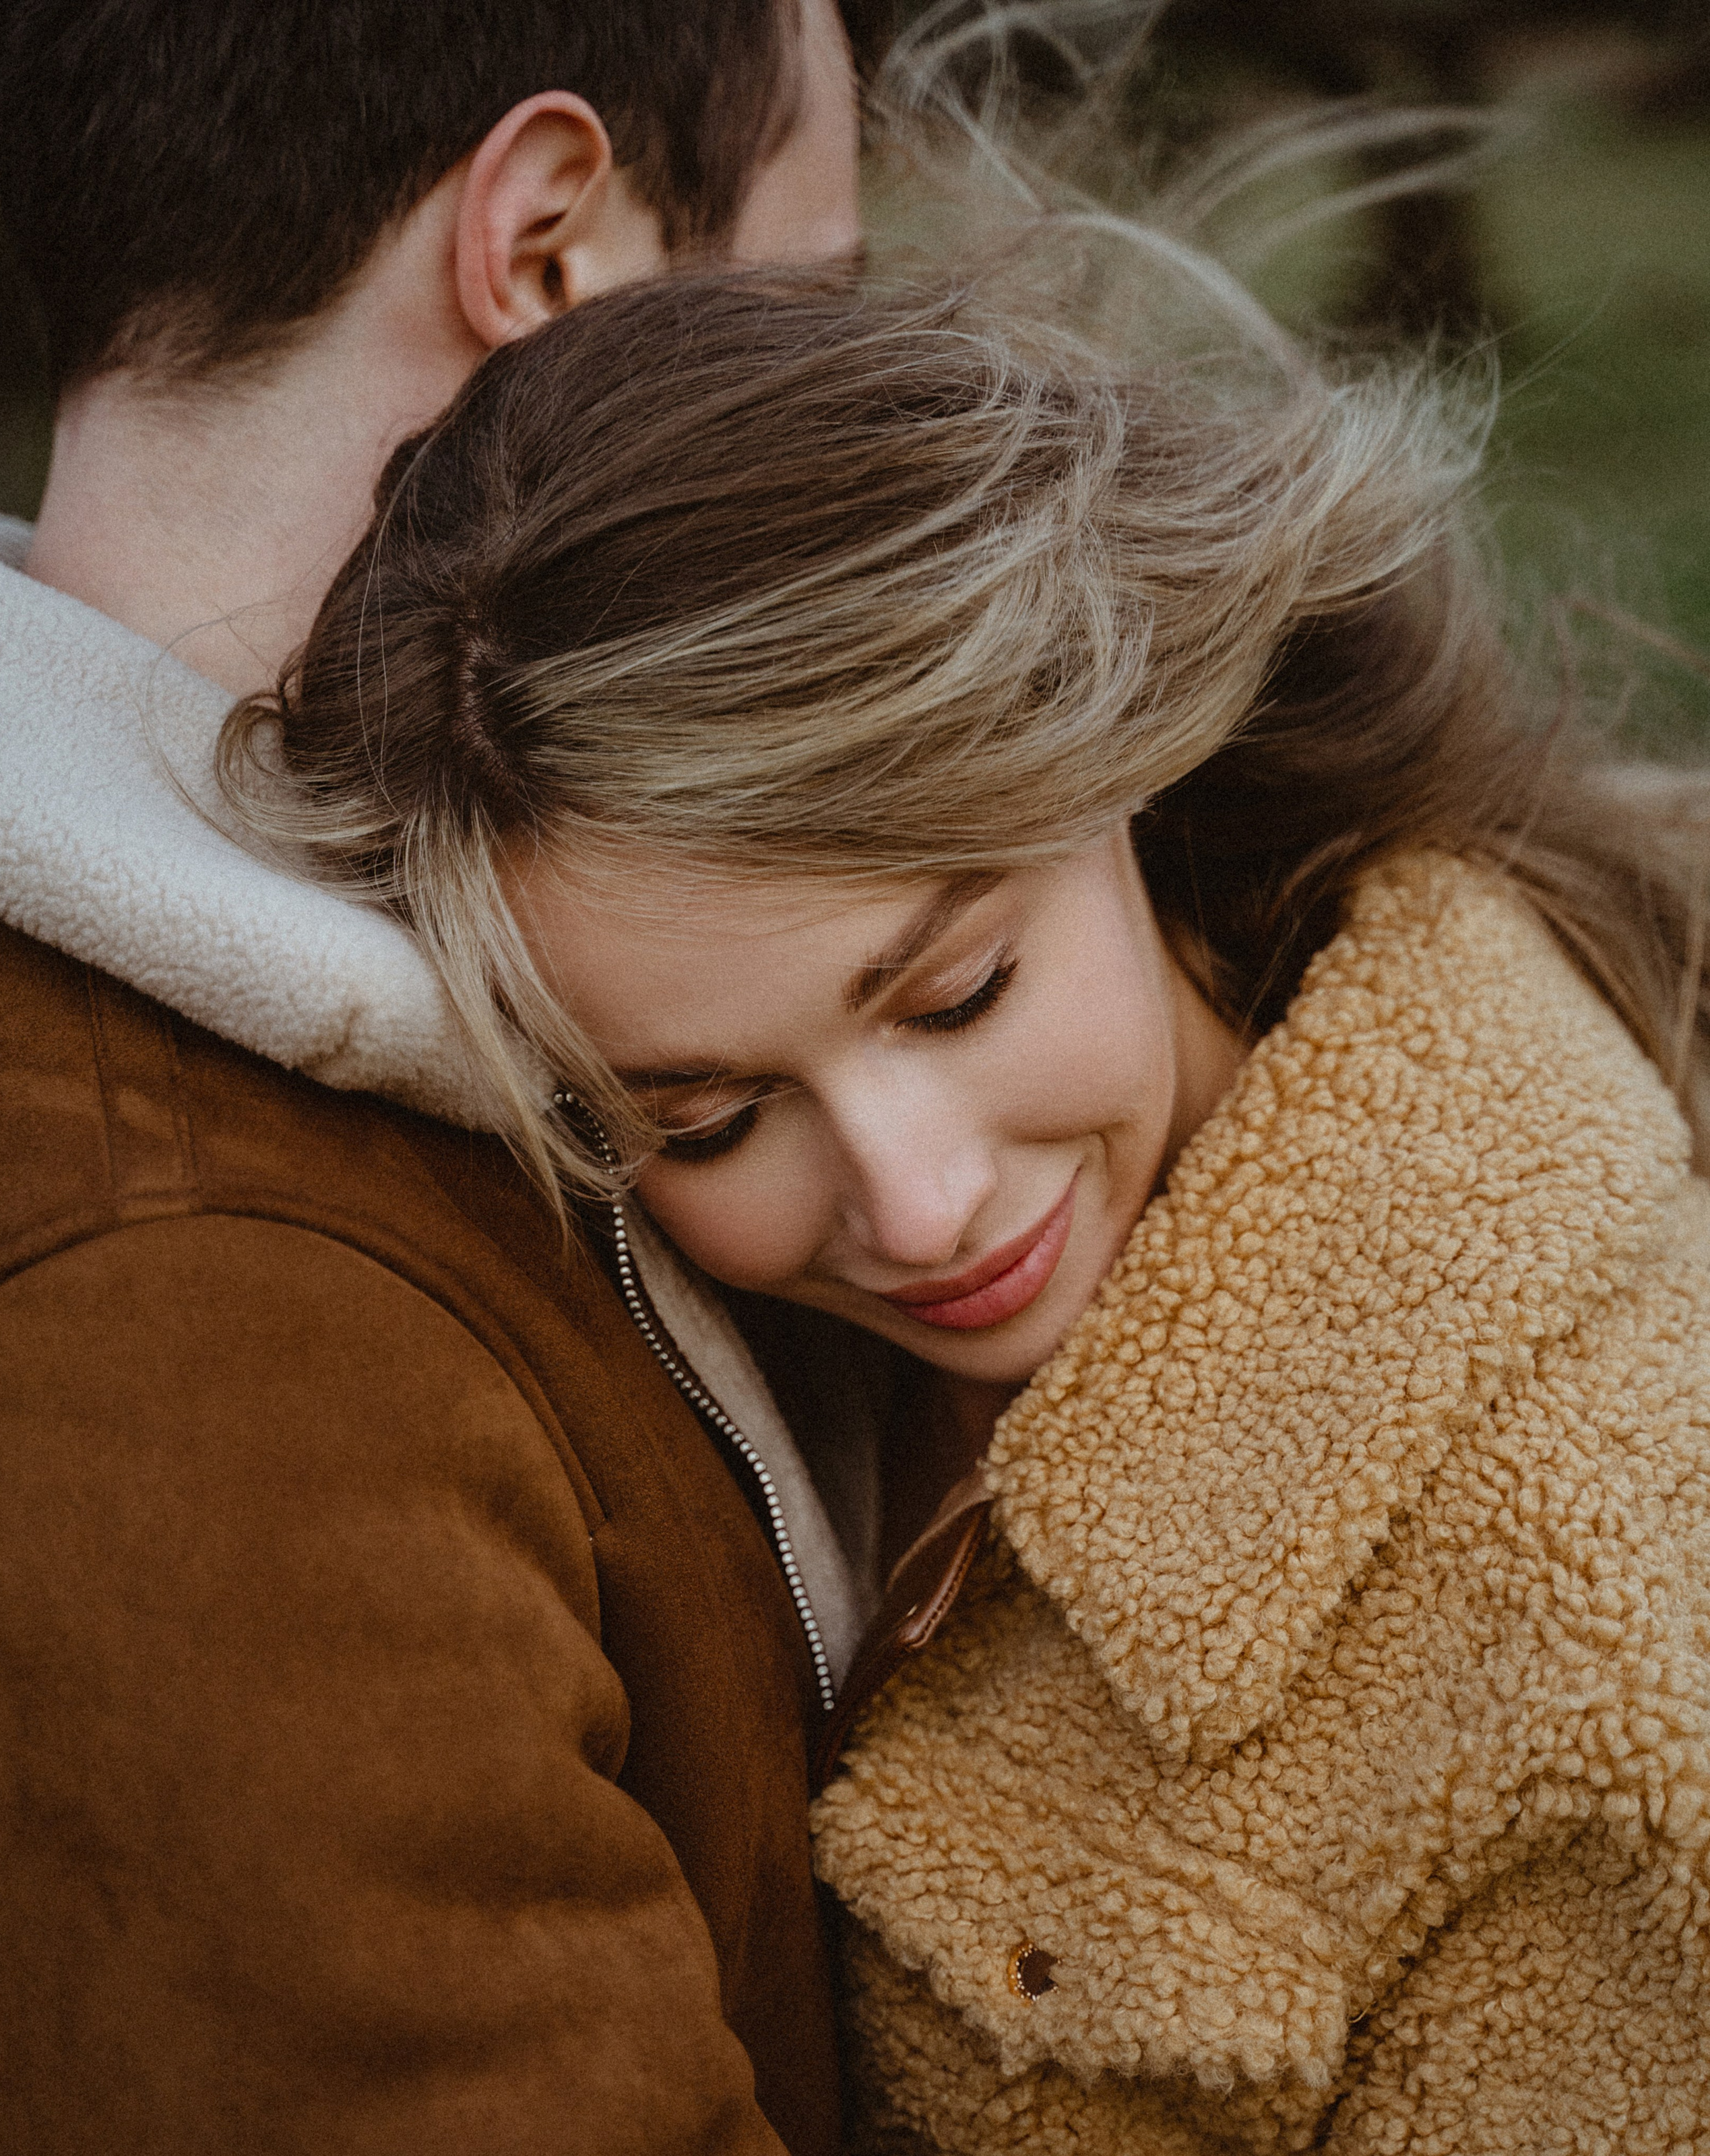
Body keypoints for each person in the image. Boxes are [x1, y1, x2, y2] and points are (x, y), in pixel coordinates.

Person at [222, 270, 1710, 2151]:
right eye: (713, 1119)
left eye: (956, 994)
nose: (919, 1209)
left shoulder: (1587, 1594)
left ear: (1131, 758)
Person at [0, 5, 885, 2150]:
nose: (837, 404)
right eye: (808, 305)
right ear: (550, 241)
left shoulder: (402, 1019)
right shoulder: (186, 1295)